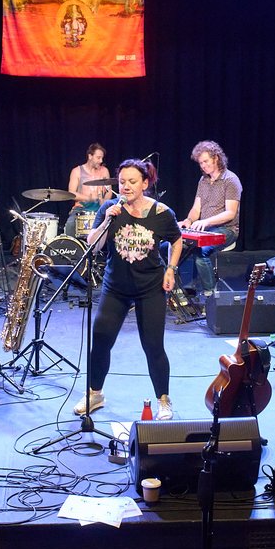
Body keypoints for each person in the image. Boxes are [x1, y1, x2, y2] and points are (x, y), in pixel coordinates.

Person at [79, 159, 183, 420]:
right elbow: (95, 245)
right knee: (101, 339)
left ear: (145, 184)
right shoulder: (109, 208)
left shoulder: (162, 213)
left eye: (132, 182)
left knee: (153, 346)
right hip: (116, 287)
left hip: (150, 288)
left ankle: (163, 400)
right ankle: (95, 394)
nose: (125, 186)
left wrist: (171, 268)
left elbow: (177, 239)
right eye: (122, 182)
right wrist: (106, 222)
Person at [177, 140, 241, 295]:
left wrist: (205, 222)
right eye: (200, 163)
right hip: (205, 228)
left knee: (200, 251)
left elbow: (230, 213)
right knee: (176, 247)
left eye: (205, 161)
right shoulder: (203, 180)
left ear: (216, 158)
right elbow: (196, 208)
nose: (203, 166)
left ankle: (211, 296)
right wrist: (189, 221)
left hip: (227, 229)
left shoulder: (230, 180)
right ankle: (183, 291)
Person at [65, 142, 110, 236]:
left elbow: (108, 191)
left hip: (99, 210)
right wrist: (88, 198)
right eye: (98, 157)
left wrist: (103, 201)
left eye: (102, 158)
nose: (101, 160)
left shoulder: (104, 171)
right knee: (70, 224)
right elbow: (71, 193)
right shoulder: (77, 171)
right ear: (90, 156)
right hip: (80, 210)